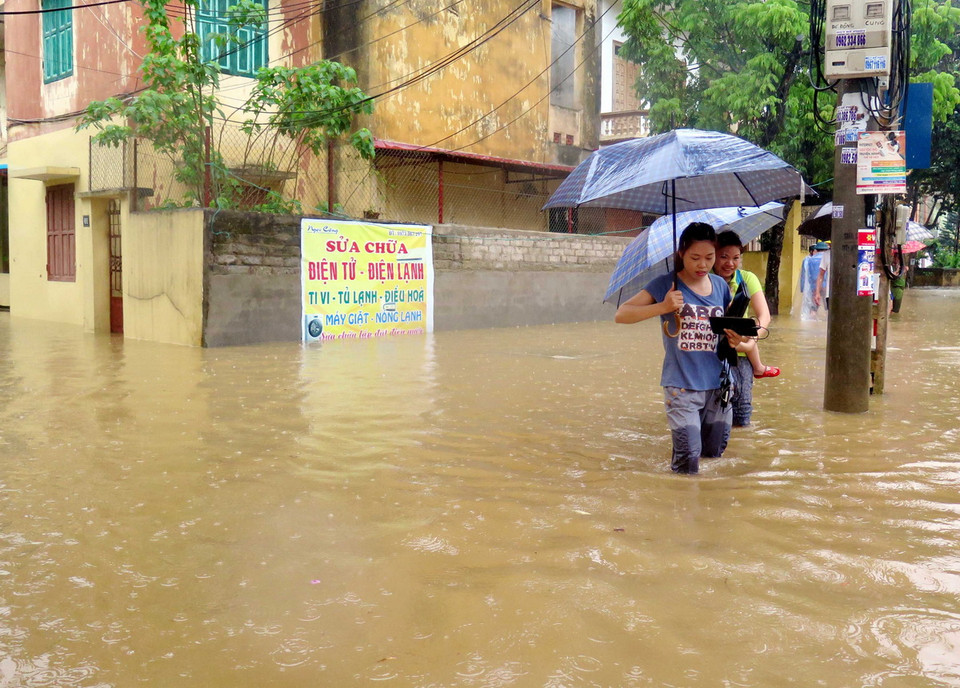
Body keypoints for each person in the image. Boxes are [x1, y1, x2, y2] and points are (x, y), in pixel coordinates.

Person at [614, 223, 750, 474]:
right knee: (688, 459)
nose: (702, 265)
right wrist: (662, 306)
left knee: (714, 453)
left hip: (718, 385)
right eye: (695, 258)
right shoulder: (666, 284)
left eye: (709, 258)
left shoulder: (720, 286)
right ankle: (682, 508)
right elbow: (622, 314)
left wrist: (735, 338)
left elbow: (730, 329)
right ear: (681, 255)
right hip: (682, 386)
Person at [713, 231, 780, 428]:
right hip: (711, 349)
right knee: (713, 405)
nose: (730, 263)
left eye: (735, 258)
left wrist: (751, 341)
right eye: (723, 257)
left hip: (742, 346)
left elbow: (764, 316)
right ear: (713, 255)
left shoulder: (747, 279)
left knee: (742, 411)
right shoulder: (705, 280)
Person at [799, 242, 829, 319]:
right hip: (826, 286)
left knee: (813, 308)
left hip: (814, 287)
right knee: (828, 309)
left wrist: (803, 289)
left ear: (816, 250)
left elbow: (804, 276)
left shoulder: (808, 260)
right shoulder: (828, 258)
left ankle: (812, 324)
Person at [814, 244, 831, 310]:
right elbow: (821, 275)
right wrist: (817, 292)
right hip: (830, 294)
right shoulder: (827, 255)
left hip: (848, 295)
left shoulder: (853, 253)